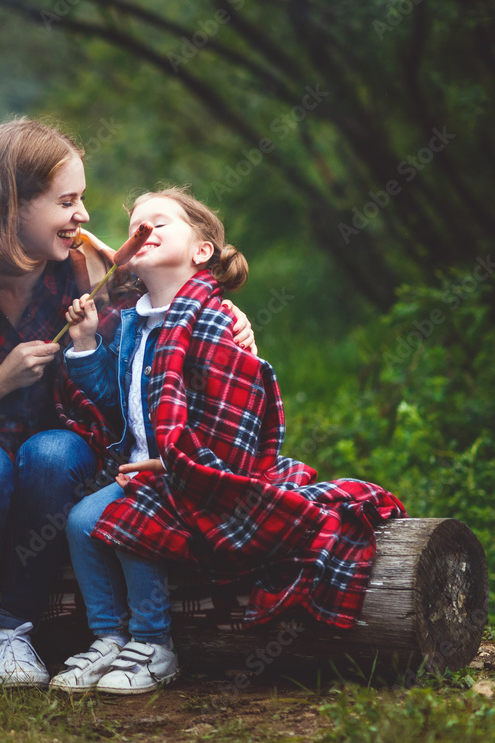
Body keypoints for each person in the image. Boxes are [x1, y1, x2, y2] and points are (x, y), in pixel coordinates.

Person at [0, 121, 255, 688]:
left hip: (57, 462)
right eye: (67, 201)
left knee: (54, 451)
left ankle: (14, 631)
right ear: (12, 207)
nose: (83, 215)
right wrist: (0, 380)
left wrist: (228, 318)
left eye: (81, 198)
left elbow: (174, 308)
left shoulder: (84, 269)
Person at [49, 186, 405, 694]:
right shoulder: (132, 323)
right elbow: (114, 402)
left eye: (159, 222)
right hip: (139, 468)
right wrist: (85, 342)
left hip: (198, 470)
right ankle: (109, 638)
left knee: (133, 521)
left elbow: (232, 417)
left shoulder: (214, 322)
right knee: (82, 521)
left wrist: (173, 465)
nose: (141, 231)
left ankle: (154, 644)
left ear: (201, 252)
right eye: (134, 228)